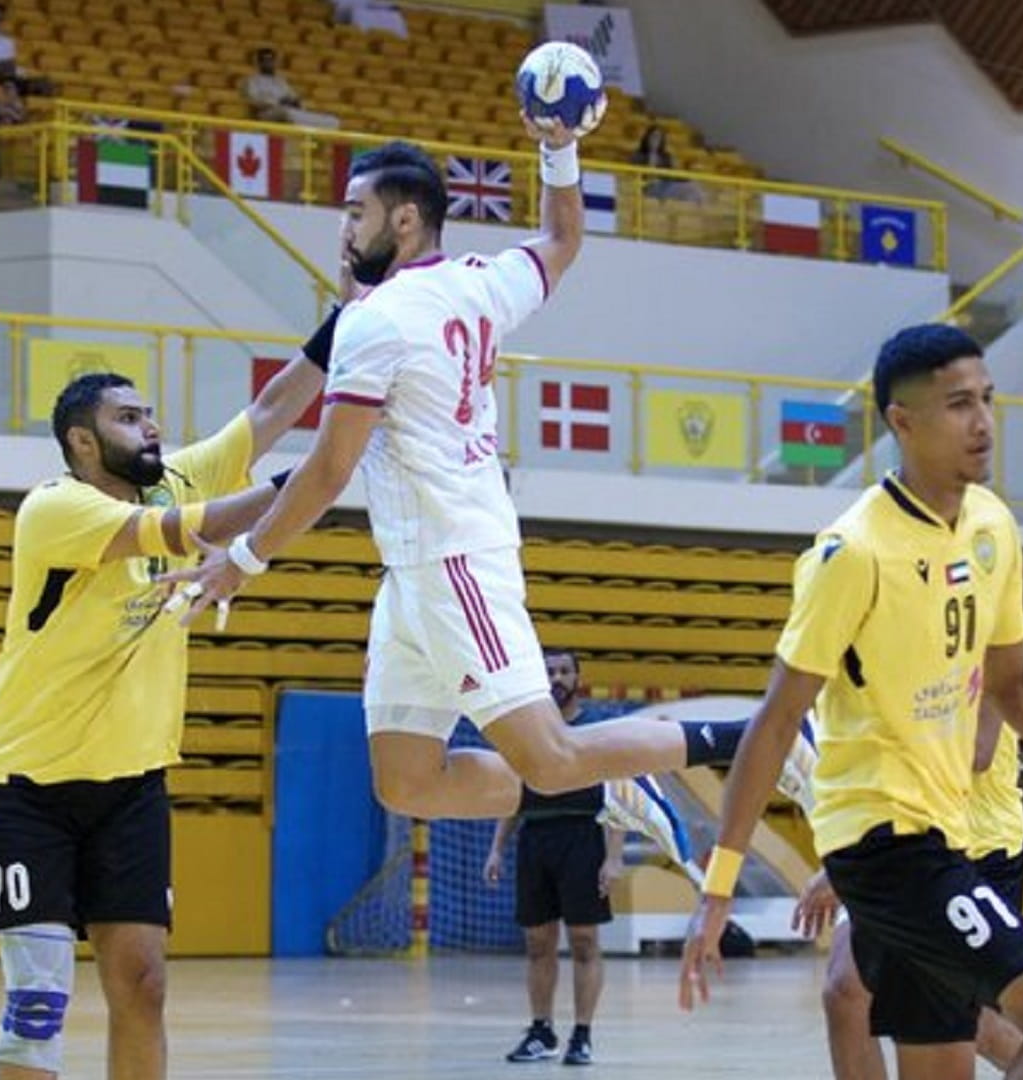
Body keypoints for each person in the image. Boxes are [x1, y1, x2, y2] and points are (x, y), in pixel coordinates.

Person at [162, 118, 816, 837]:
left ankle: (764, 740)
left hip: (455, 560)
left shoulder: (375, 322)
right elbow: (563, 241)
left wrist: (245, 560)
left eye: (355, 213)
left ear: (404, 219)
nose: (344, 232)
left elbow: (328, 469)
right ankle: (602, 798)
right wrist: (559, 147)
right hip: (413, 574)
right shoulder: (481, 282)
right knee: (408, 782)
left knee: (555, 756)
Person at [679, 325, 1023, 1080]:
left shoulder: (991, 524)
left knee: (941, 1065)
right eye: (959, 405)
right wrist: (719, 888)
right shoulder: (851, 553)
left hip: (959, 833)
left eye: (988, 399)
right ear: (902, 422)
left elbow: (1016, 687)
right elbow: (776, 721)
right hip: (887, 844)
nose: (984, 422)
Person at [0, 337, 334, 1080]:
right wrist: (319, 474)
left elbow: (273, 407)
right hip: (24, 787)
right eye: (130, 418)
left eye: (151, 415)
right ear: (83, 440)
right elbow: (188, 531)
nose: (151, 429)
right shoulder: (56, 507)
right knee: (39, 1005)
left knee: (144, 985)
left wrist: (352, 314)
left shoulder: (173, 478)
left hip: (130, 786)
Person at [796, 712, 1023, 1079]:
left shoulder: (982, 655)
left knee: (970, 1024)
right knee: (844, 993)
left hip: (977, 845)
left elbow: (974, 755)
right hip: (900, 839)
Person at [482, 648, 626, 1067]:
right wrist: (496, 849)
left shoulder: (594, 733)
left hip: (582, 838)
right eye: (550, 671)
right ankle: (541, 1030)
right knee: (537, 943)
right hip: (536, 839)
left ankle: (582, 1035)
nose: (558, 678)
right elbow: (512, 796)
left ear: (578, 678)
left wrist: (612, 858)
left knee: (584, 941)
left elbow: (617, 798)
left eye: (565, 671)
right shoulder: (526, 737)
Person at [242, 47, 339, 129]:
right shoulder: (252, 81)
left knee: (331, 120)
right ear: (259, 63)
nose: (269, 63)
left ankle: (326, 124)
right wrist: (277, 102)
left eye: (272, 60)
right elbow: (253, 99)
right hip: (265, 113)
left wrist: (294, 101)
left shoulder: (280, 81)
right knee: (288, 113)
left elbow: (292, 96)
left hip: (287, 109)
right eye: (266, 60)